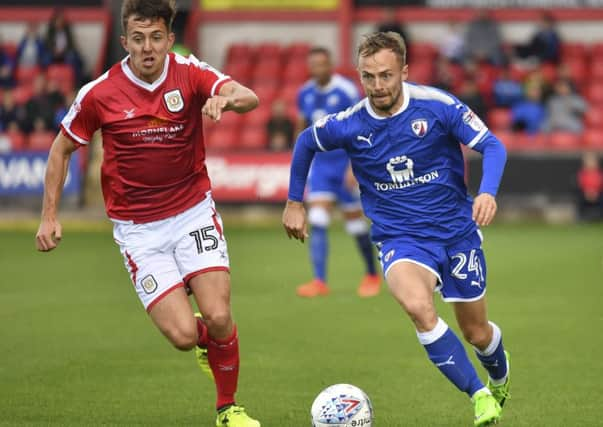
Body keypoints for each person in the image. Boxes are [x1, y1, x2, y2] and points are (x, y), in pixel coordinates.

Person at [35, 1, 260, 426]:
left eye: (156, 37)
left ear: (169, 39)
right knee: (181, 335)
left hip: (192, 211)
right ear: (125, 42)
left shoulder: (189, 72)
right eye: (138, 39)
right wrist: (49, 215)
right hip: (139, 230)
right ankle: (204, 341)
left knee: (219, 315)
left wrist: (224, 102)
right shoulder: (99, 93)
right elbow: (61, 149)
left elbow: (248, 96)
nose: (148, 47)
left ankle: (228, 409)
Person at [283, 32, 510, 426]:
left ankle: (499, 375)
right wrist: (294, 201)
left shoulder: (437, 106)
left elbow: (493, 145)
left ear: (404, 71)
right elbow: (306, 142)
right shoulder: (351, 122)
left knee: (477, 334)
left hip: (456, 233)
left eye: (386, 76)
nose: (377, 86)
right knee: (418, 307)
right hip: (400, 238)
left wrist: (487, 193)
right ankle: (479, 396)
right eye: (368, 77)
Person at [295, 46, 380, 298]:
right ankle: (319, 281)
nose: (317, 69)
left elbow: (361, 127)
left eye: (322, 64)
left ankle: (371, 275)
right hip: (321, 166)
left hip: (345, 164)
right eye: (313, 65)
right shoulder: (305, 93)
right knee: (318, 220)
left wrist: (355, 166)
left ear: (330, 64)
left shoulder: (346, 90)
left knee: (355, 225)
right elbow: (302, 128)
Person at [576, 152, 603, 221]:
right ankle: (581, 218)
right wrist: (587, 192)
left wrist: (595, 193)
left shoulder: (600, 174)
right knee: (579, 197)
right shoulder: (582, 174)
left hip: (598, 194)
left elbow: (600, 184)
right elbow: (581, 184)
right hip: (585, 194)